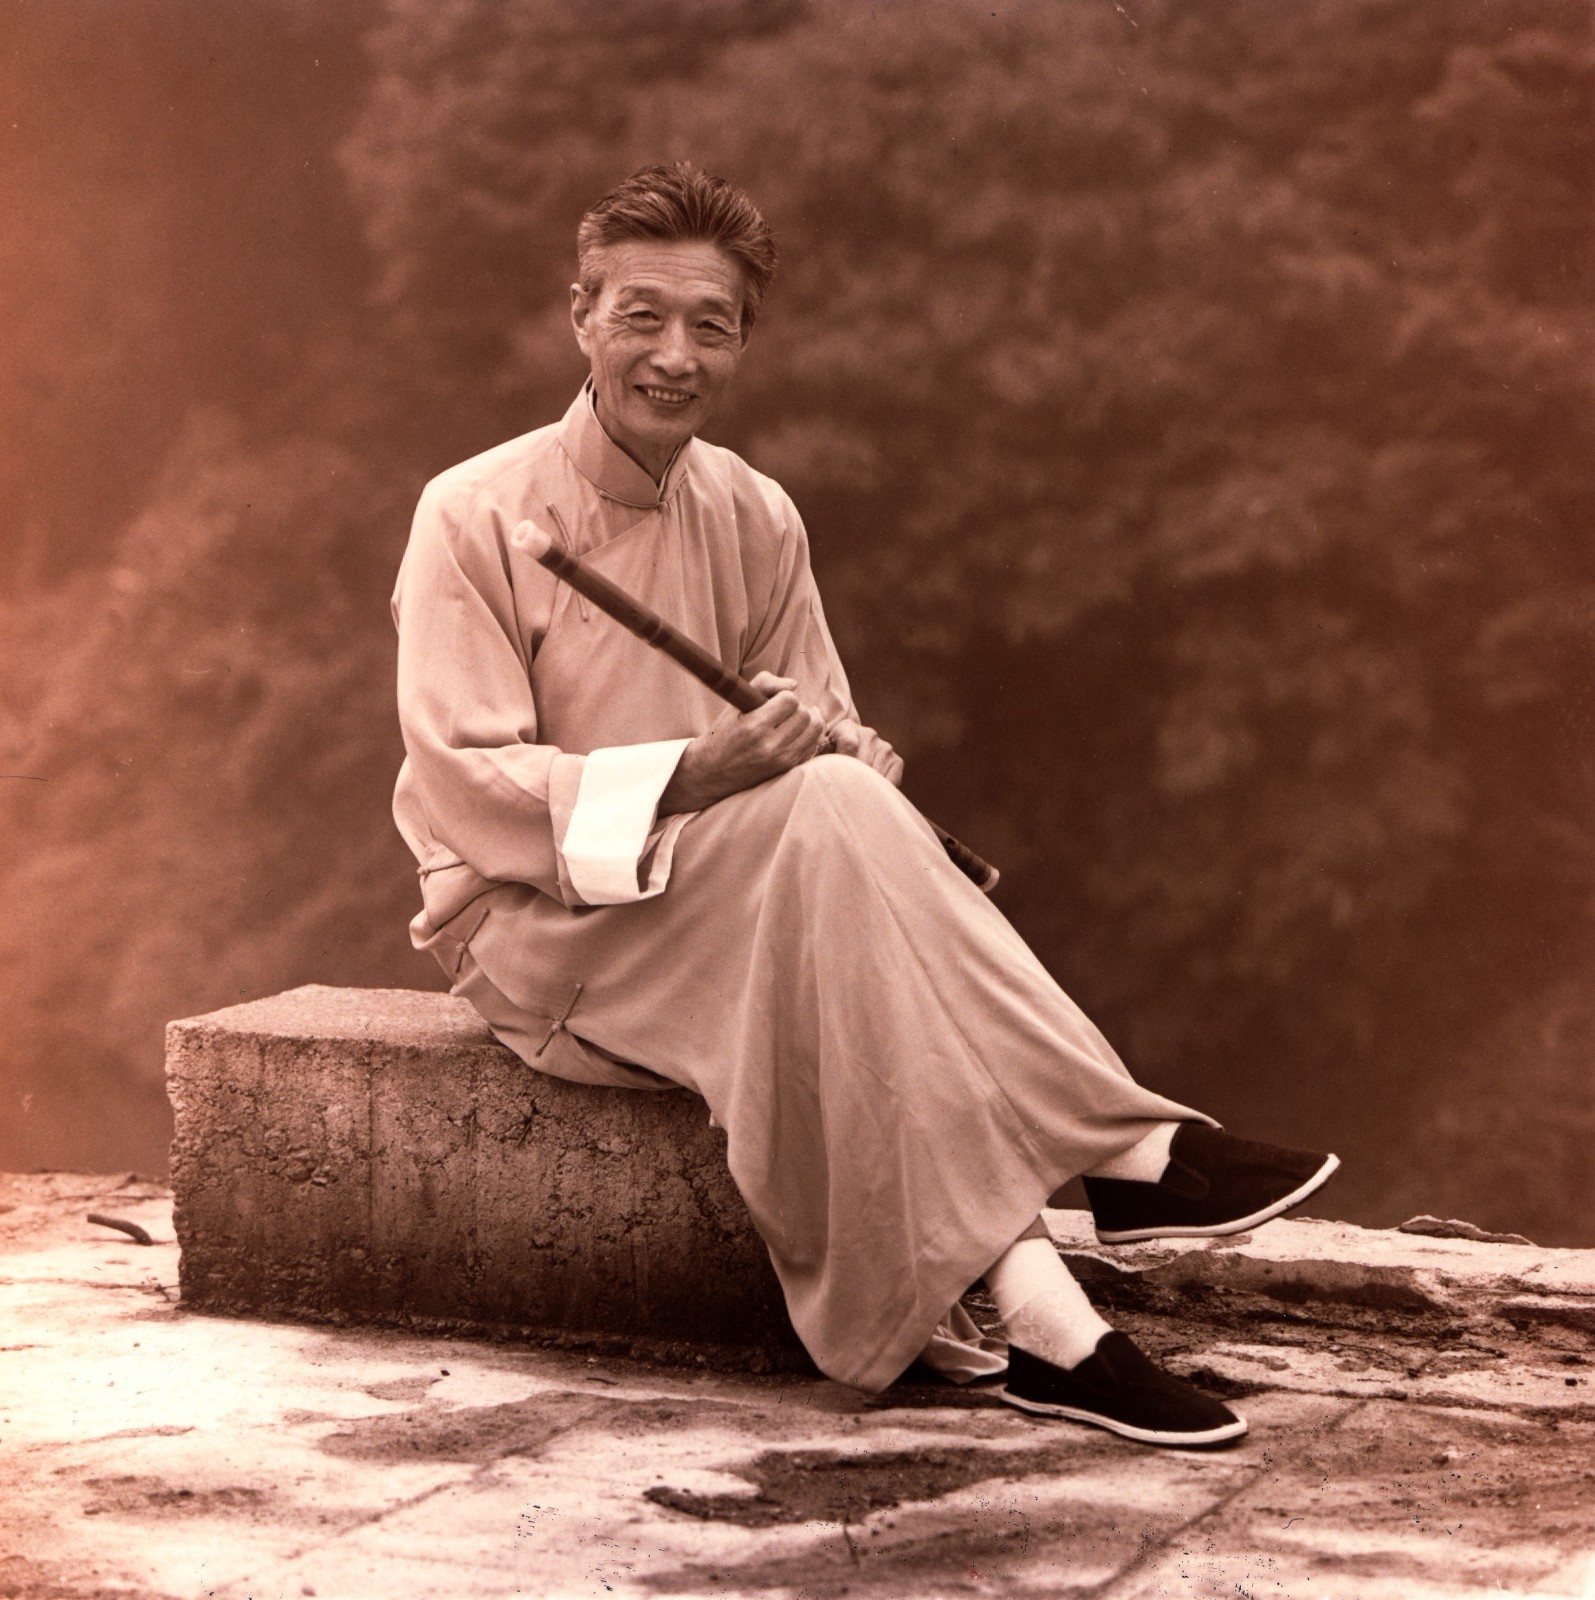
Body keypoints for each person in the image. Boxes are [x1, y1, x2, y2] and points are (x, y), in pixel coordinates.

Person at [392, 163, 1339, 1449]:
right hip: (537, 923)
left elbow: (822, 747)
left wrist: (840, 759)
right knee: (826, 836)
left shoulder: (756, 514)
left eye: (711, 325)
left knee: (839, 825)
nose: (674, 356)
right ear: (580, 318)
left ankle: (1052, 1322)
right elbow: (469, 789)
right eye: (640, 317)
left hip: (736, 899)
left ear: (744, 340)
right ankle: (1125, 1155)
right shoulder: (471, 513)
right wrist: (703, 772)